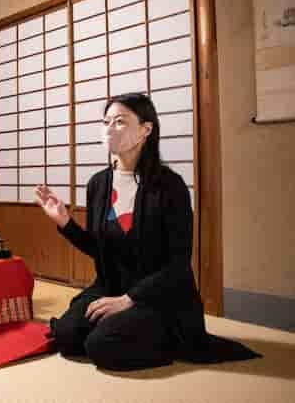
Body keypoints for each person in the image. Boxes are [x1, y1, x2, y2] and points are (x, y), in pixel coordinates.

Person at [35, 93, 260, 371]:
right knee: (67, 336)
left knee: (101, 346)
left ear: (146, 129)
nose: (109, 129)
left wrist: (129, 300)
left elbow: (178, 264)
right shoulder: (98, 184)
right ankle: (122, 327)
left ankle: (168, 337)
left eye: (120, 122)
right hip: (111, 287)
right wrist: (65, 223)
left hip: (158, 296)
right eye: (105, 122)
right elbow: (99, 249)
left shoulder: (170, 186)